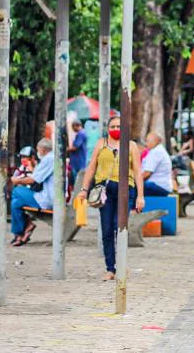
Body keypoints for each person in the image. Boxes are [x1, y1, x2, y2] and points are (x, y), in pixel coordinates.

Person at [78, 115, 145, 281]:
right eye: (113, 126)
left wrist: (140, 196)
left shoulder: (131, 146)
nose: (116, 129)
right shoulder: (102, 144)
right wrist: (84, 190)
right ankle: (110, 268)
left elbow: (137, 172)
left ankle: (122, 264)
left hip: (125, 190)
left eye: (119, 126)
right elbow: (91, 167)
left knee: (119, 227)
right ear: (108, 129)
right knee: (107, 230)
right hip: (104, 191)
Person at [9, 138, 55, 247]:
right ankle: (22, 231)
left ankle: (22, 230)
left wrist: (16, 180)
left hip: (47, 199)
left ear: (42, 150)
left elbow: (33, 180)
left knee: (16, 191)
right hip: (49, 196)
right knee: (15, 203)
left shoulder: (48, 159)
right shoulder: (52, 158)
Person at [141, 131, 172, 196]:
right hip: (162, 186)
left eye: (147, 141)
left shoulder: (156, 152)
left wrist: (134, 181)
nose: (146, 144)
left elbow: (147, 174)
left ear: (154, 141)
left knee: (131, 188)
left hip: (158, 186)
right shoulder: (159, 150)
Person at [67, 119, 88, 187]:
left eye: (73, 127)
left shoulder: (80, 134)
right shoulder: (83, 132)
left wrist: (66, 149)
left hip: (78, 161)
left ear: (76, 126)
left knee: (77, 180)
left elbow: (75, 147)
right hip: (79, 160)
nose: (73, 129)